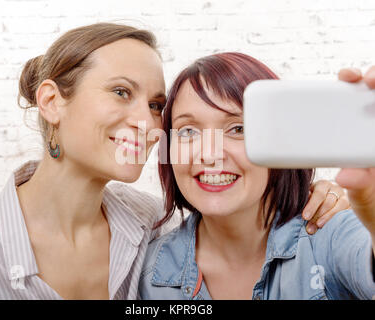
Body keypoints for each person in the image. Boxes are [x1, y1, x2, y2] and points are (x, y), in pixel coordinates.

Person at [0, 23, 347, 300]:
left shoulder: (147, 224)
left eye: (154, 106)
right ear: (51, 102)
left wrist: (329, 195)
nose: (148, 124)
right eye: (120, 92)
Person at [138, 52, 375, 300]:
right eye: (188, 130)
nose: (209, 154)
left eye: (238, 128)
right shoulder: (149, 276)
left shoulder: (330, 235)